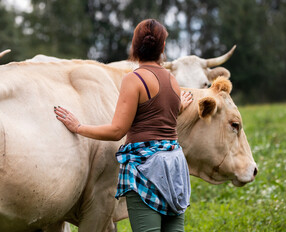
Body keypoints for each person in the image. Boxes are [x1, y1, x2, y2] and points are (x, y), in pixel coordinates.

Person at [54, 19, 193, 232]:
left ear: (134, 46)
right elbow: (161, 114)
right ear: (163, 48)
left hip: (145, 168)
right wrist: (179, 106)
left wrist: (79, 127)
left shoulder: (134, 80)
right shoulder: (172, 80)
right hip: (174, 164)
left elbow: (117, 130)